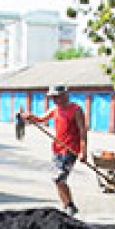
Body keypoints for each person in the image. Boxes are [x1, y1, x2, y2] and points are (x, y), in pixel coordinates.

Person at [26, 85, 88, 217]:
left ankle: (69, 206)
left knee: (59, 179)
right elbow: (40, 119)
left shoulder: (76, 110)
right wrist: (29, 117)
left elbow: (83, 131)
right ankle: (67, 206)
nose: (54, 100)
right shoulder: (55, 109)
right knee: (58, 181)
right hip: (57, 149)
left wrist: (83, 152)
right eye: (52, 97)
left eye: (56, 97)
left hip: (70, 150)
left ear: (64, 95)